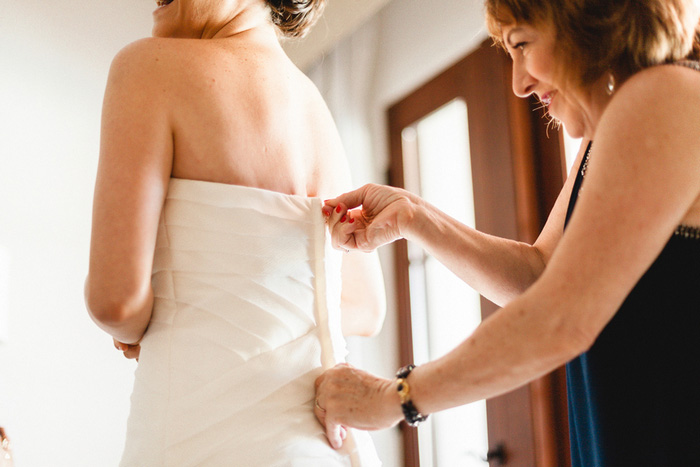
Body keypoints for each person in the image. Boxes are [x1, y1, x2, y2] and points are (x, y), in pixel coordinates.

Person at [314, 0, 700, 465]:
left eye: (522, 44)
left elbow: (560, 316)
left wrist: (392, 397)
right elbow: (544, 277)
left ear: (587, 20)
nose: (519, 83)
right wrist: (413, 215)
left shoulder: (668, 96)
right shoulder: (609, 133)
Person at [84, 0, 386, 465]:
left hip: (200, 439)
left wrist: (146, 317)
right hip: (325, 446)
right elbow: (365, 307)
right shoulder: (315, 107)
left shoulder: (147, 67)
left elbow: (115, 301)